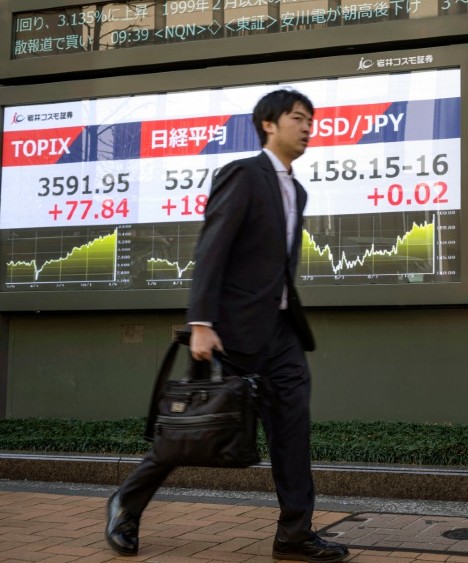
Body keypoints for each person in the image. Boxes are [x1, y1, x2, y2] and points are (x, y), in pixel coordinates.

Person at [105, 89, 349, 562]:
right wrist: (200, 321)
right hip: (233, 331)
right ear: (268, 124)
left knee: (292, 431)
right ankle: (125, 504)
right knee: (193, 428)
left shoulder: (297, 190)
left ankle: (294, 534)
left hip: (282, 333)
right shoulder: (244, 174)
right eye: (297, 118)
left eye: (310, 120)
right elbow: (212, 246)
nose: (307, 127)